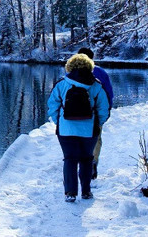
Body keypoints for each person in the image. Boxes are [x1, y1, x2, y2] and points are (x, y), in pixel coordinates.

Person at [47, 53, 110, 202]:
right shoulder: (96, 85)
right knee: (87, 159)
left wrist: (59, 122)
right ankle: (86, 191)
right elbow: (103, 110)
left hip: (66, 130)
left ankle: (70, 193)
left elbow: (52, 106)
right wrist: (97, 123)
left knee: (70, 159)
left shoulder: (62, 84)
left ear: (70, 67)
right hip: (89, 131)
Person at [78, 47, 113, 179]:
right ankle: (93, 162)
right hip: (97, 112)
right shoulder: (100, 72)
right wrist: (108, 110)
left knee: (79, 137)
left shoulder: (71, 73)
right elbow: (109, 93)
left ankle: (82, 164)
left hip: (77, 113)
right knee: (96, 138)